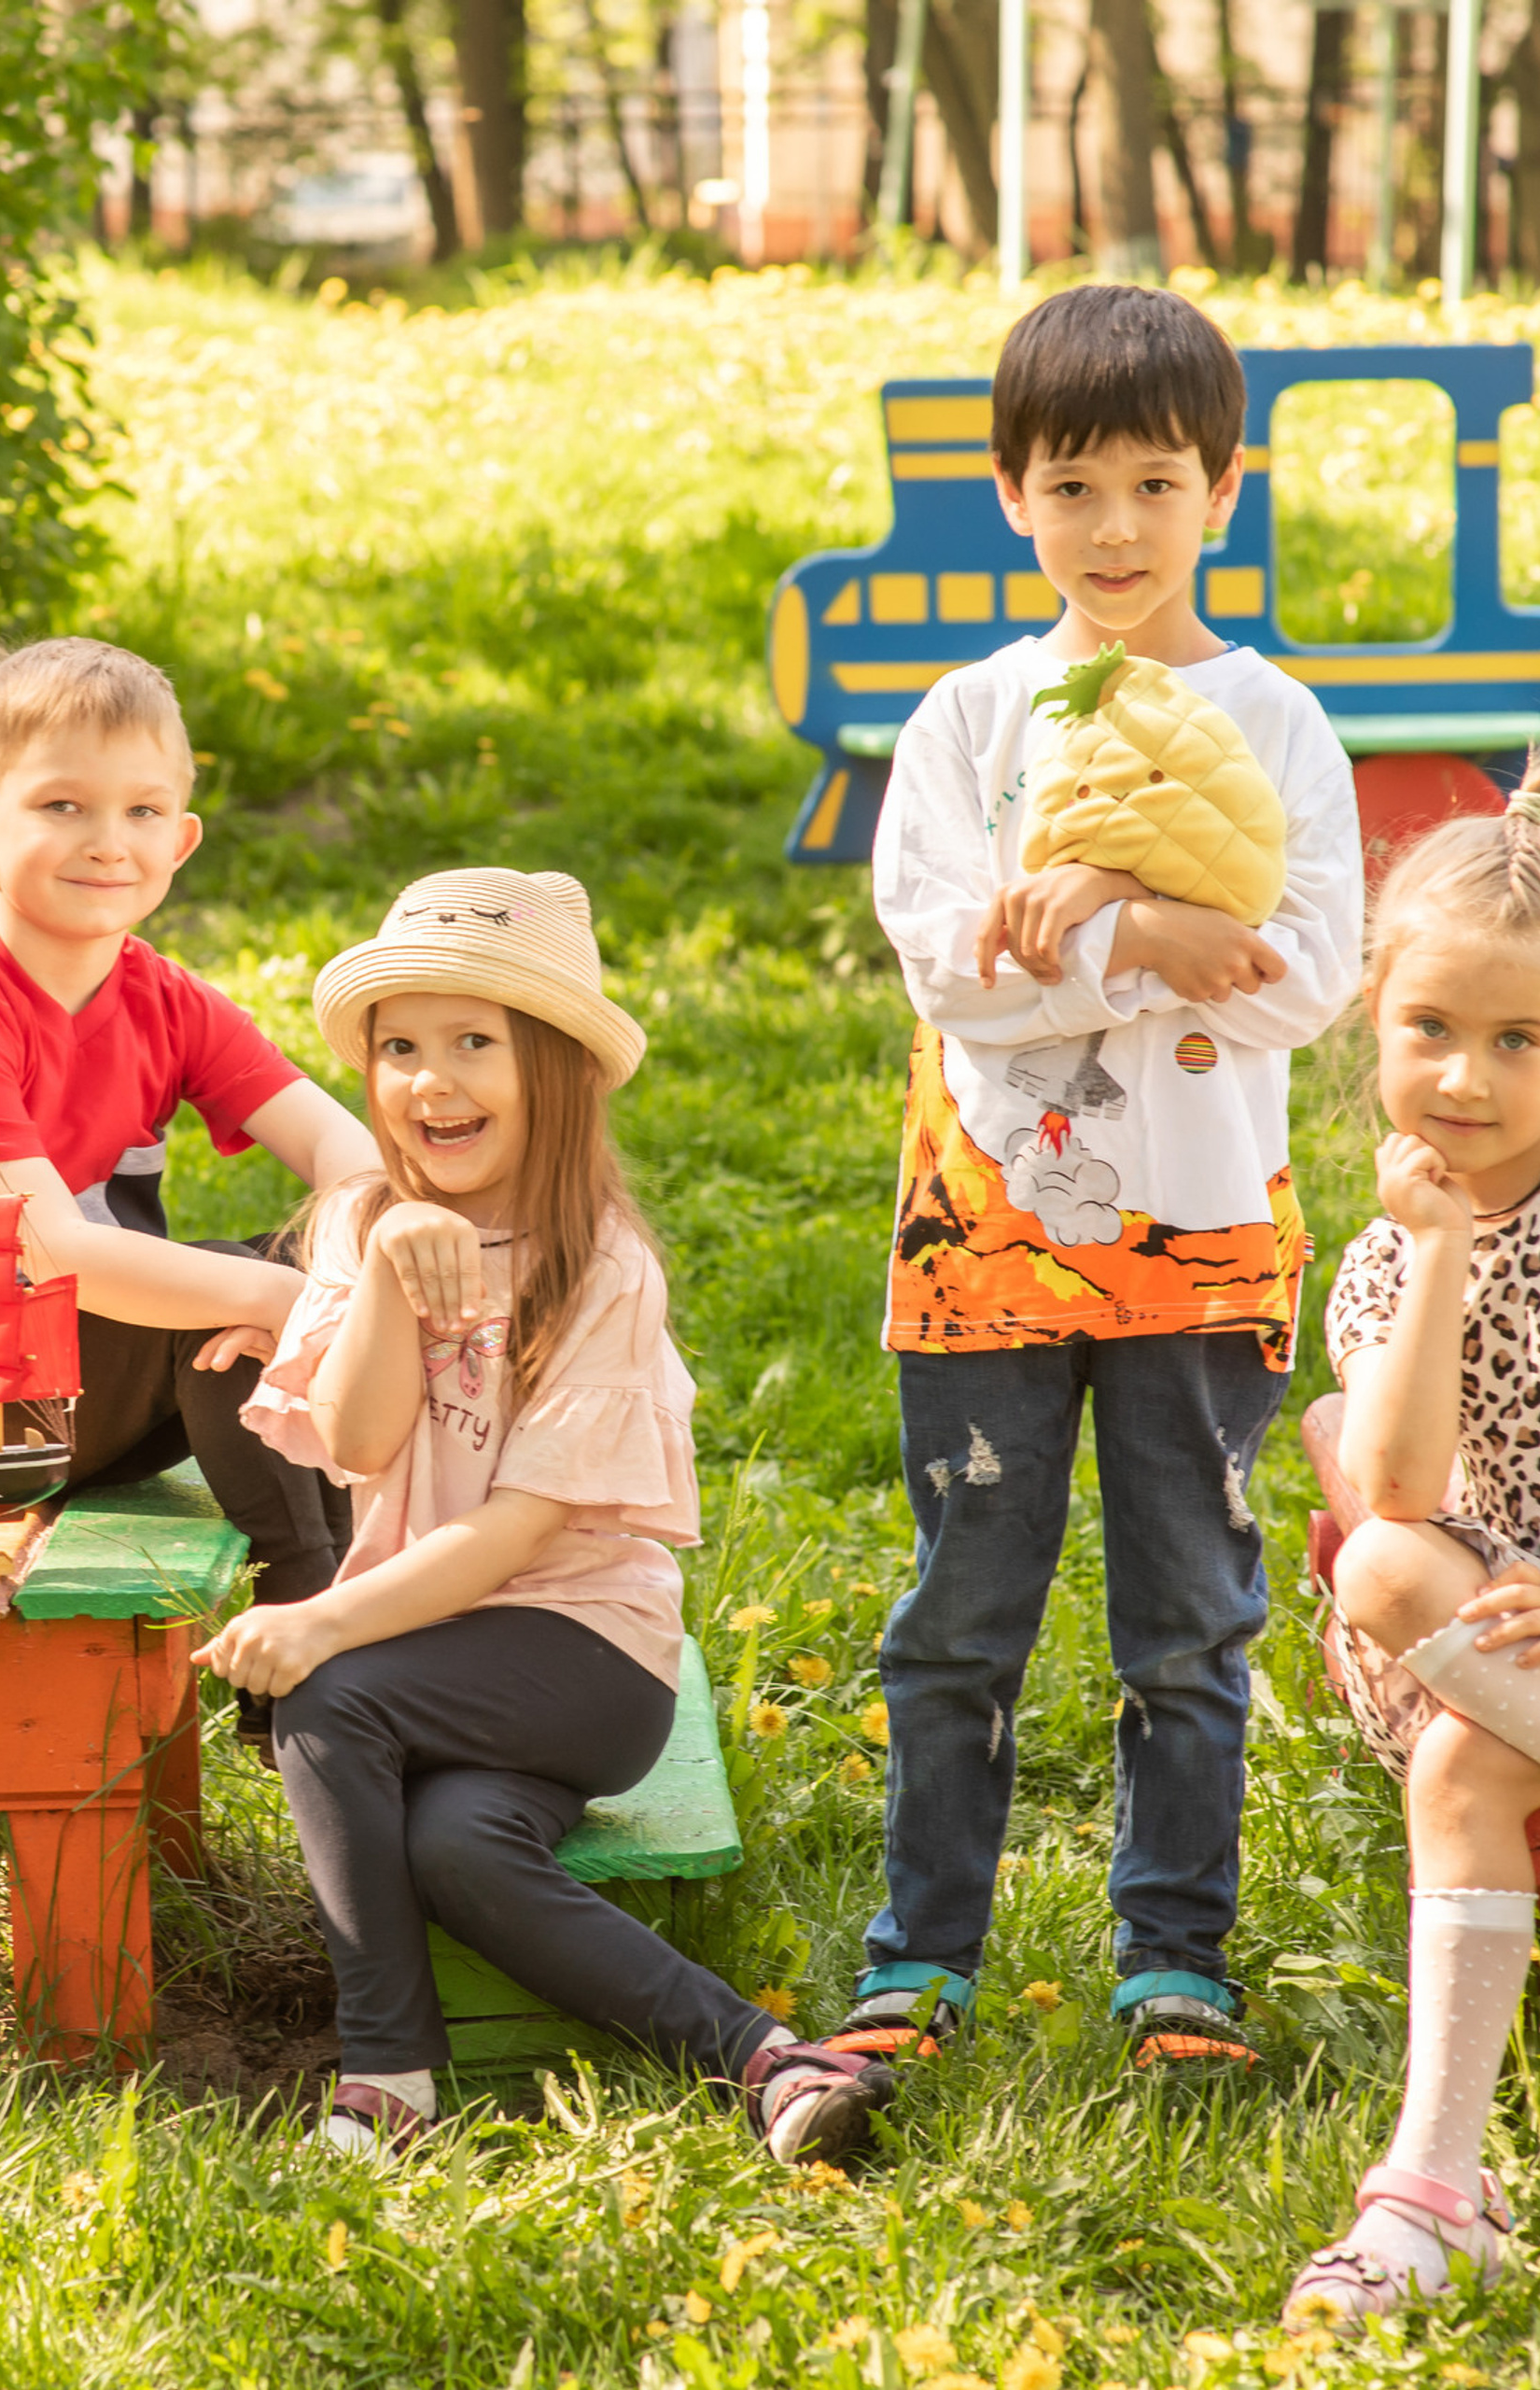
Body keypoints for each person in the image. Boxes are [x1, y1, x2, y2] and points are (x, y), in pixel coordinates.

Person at [830, 283, 1363, 2070]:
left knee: (1190, 1621)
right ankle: (918, 1952)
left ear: (1225, 486)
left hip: (1204, 1250)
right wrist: (1169, 948)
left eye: (1154, 482)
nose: (1114, 527)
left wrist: (1119, 917)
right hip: (982, 1242)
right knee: (961, 1618)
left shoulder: (1279, 725)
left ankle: (1175, 1960)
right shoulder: (970, 725)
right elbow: (944, 966)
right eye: (1071, 487)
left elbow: (1303, 978)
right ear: (1011, 495)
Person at [196, 866, 895, 2160]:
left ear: (558, 1070)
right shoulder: (361, 1221)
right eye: (400, 1047)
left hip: (583, 1654)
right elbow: (351, 1442)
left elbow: (517, 1536)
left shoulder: (598, 1267)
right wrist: (400, 1273)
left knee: (330, 1696)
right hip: (436, 1648)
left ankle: (387, 2077)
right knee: (458, 1844)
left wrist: (328, 1625)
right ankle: (771, 2061)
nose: (430, 1080)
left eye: (476, 1043)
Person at [0, 636, 379, 1748]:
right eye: (63, 806)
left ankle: (363, 1587)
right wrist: (295, 1301)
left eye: (141, 812)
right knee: (251, 1291)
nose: (106, 842)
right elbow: (54, 1252)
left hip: (98, 1392)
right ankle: (309, 1629)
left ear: (180, 837)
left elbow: (350, 1155)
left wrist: (342, 1264)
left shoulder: (162, 998)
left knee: (279, 1272)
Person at [1283, 785, 1540, 2325]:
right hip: (1460, 1625)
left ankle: (1436, 2195)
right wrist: (1440, 1245)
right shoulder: (1389, 1259)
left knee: (1468, 1767)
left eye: (1524, 1041)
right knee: (1384, 1567)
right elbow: (1396, 1485)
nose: (1467, 1077)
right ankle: (1445, 2189)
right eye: (1434, 1026)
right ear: (1376, 1019)